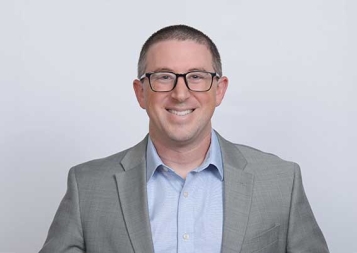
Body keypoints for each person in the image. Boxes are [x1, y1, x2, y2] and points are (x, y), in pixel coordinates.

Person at [39, 24, 329, 253]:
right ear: (141, 92)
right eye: (164, 76)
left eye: (197, 76)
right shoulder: (87, 186)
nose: (180, 93)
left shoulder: (281, 181)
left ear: (219, 90)